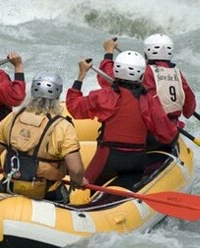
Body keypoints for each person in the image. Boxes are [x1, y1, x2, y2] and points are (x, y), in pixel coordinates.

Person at [66, 52, 178, 190]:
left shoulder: (104, 96)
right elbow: (168, 134)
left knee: (81, 188)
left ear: (116, 71)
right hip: (137, 161)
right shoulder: (149, 100)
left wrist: (81, 75)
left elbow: (74, 107)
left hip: (109, 158)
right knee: (127, 189)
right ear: (141, 74)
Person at [0, 72, 88, 202]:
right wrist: (77, 181)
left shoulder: (13, 118)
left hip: (11, 186)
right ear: (57, 95)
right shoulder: (63, 126)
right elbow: (76, 169)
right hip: (47, 193)